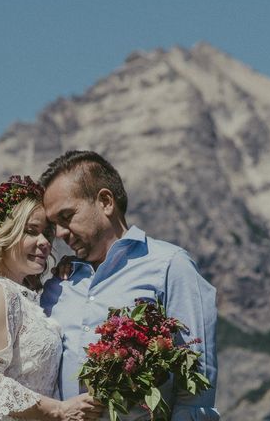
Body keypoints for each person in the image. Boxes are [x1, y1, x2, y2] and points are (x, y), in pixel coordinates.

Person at [40, 151, 220, 420]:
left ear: (105, 201)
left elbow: (197, 381)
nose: (61, 233)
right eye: (55, 225)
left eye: (67, 216)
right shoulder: (58, 284)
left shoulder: (169, 265)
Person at [0, 175, 103, 421]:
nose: (44, 243)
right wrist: (58, 410)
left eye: (47, 234)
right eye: (31, 231)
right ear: (5, 234)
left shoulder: (26, 298)